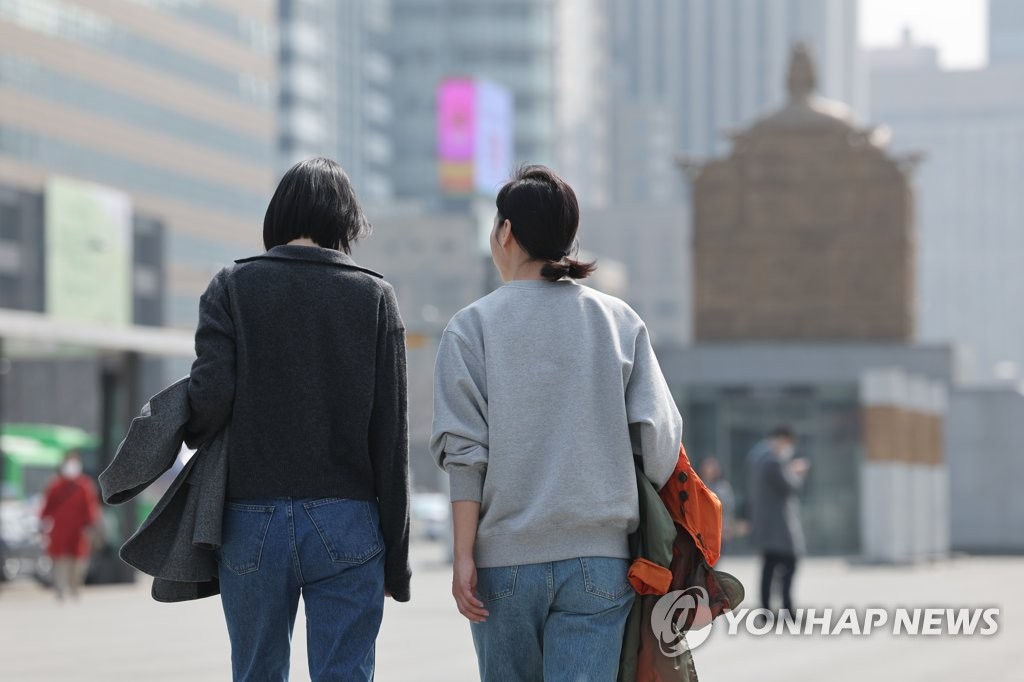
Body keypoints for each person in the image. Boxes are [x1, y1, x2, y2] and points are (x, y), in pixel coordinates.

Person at [431, 165, 683, 681]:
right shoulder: (618, 321)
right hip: (599, 559)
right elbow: (660, 438)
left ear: (505, 233)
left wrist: (462, 557)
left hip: (503, 562)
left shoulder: (470, 327)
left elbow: (465, 455)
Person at [185, 157, 410, 681]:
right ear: (345, 222)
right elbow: (391, 438)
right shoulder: (375, 296)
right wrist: (396, 561)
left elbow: (208, 401)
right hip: (348, 521)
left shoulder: (233, 287)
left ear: (279, 215)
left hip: (251, 519)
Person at [747, 425, 810, 615]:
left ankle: (767, 610)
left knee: (769, 567)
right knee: (789, 564)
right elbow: (789, 486)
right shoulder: (773, 461)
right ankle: (787, 609)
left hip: (767, 526)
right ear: (782, 439)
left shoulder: (758, 457)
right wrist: (797, 472)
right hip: (778, 527)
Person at [40, 451, 100, 601]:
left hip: (79, 531)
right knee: (60, 560)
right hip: (59, 530)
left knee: (78, 562)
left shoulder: (84, 486)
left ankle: (75, 587)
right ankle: (60, 589)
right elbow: (47, 507)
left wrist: (90, 525)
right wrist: (43, 522)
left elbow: (91, 508)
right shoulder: (56, 485)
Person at [699, 457, 738, 548]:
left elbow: (728, 508)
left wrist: (729, 526)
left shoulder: (723, 487)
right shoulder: (698, 485)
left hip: (719, 528)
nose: (709, 470)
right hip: (701, 528)